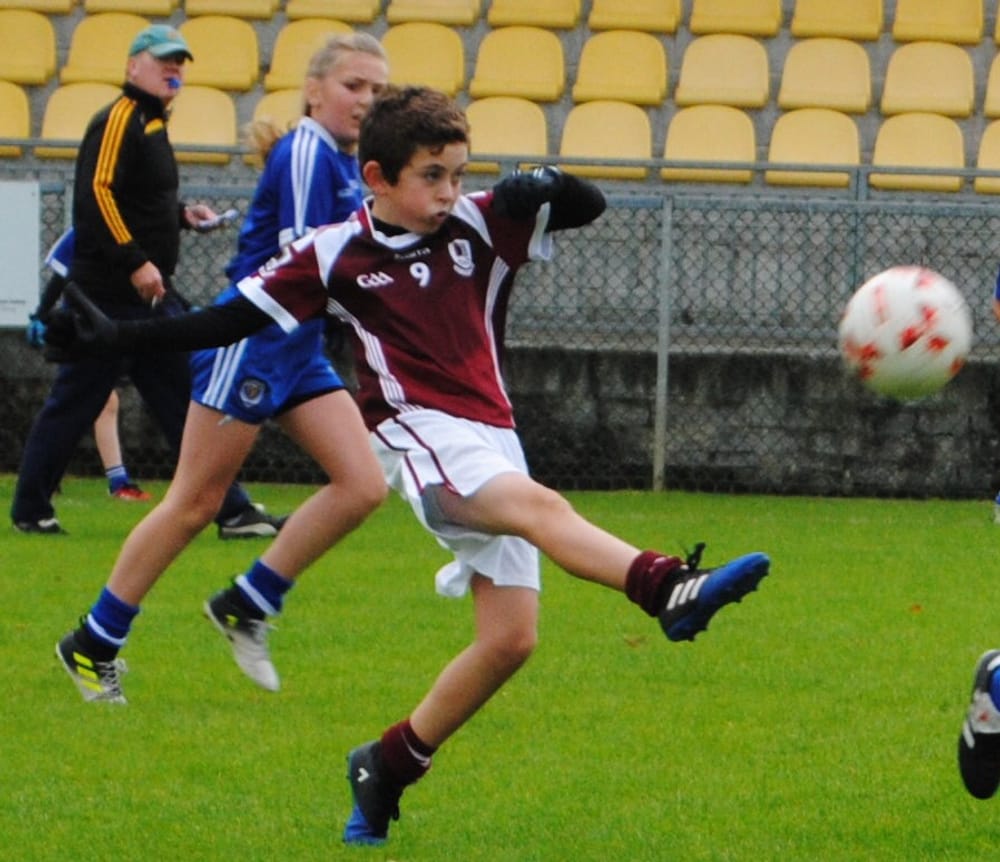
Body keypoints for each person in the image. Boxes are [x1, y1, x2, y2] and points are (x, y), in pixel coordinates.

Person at [46, 86, 772, 845]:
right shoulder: (333, 252)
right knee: (541, 508)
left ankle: (386, 765)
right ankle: (666, 586)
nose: (449, 192)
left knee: (509, 640)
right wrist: (115, 338)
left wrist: (547, 182)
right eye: (432, 176)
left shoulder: (480, 222)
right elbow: (228, 318)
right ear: (377, 178)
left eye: (458, 173)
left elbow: (588, 207)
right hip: (419, 434)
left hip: (494, 437)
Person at [52, 33, 390, 701]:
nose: (366, 101)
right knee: (195, 503)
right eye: (354, 86)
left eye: (377, 91)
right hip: (254, 340)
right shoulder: (307, 151)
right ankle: (93, 642)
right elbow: (305, 256)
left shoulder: (348, 161)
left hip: (297, 346)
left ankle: (247, 602)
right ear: (314, 91)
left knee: (362, 486)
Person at [10, 24, 281, 537]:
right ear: (133, 67)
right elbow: (97, 193)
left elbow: (135, 200)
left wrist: (182, 216)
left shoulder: (151, 124)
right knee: (78, 402)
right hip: (110, 297)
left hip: (145, 300)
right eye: (163, 60)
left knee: (186, 401)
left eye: (179, 62)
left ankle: (232, 510)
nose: (173, 69)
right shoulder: (120, 118)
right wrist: (135, 260)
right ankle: (30, 508)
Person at [28, 229, 150, 501]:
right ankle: (111, 481)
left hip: (117, 325)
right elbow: (61, 273)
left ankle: (51, 476)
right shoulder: (91, 225)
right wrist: (41, 314)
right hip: (85, 326)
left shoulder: (143, 228)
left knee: (101, 402)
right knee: (89, 401)